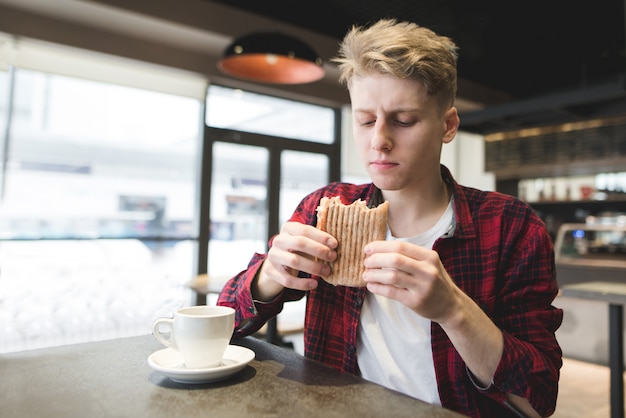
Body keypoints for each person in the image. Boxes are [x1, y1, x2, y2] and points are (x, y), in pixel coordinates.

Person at [218, 18, 562, 418]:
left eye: (403, 120)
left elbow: (537, 399)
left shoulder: (511, 228)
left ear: (447, 125)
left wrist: (453, 309)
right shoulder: (323, 208)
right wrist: (270, 275)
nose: (378, 140)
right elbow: (227, 323)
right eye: (365, 120)